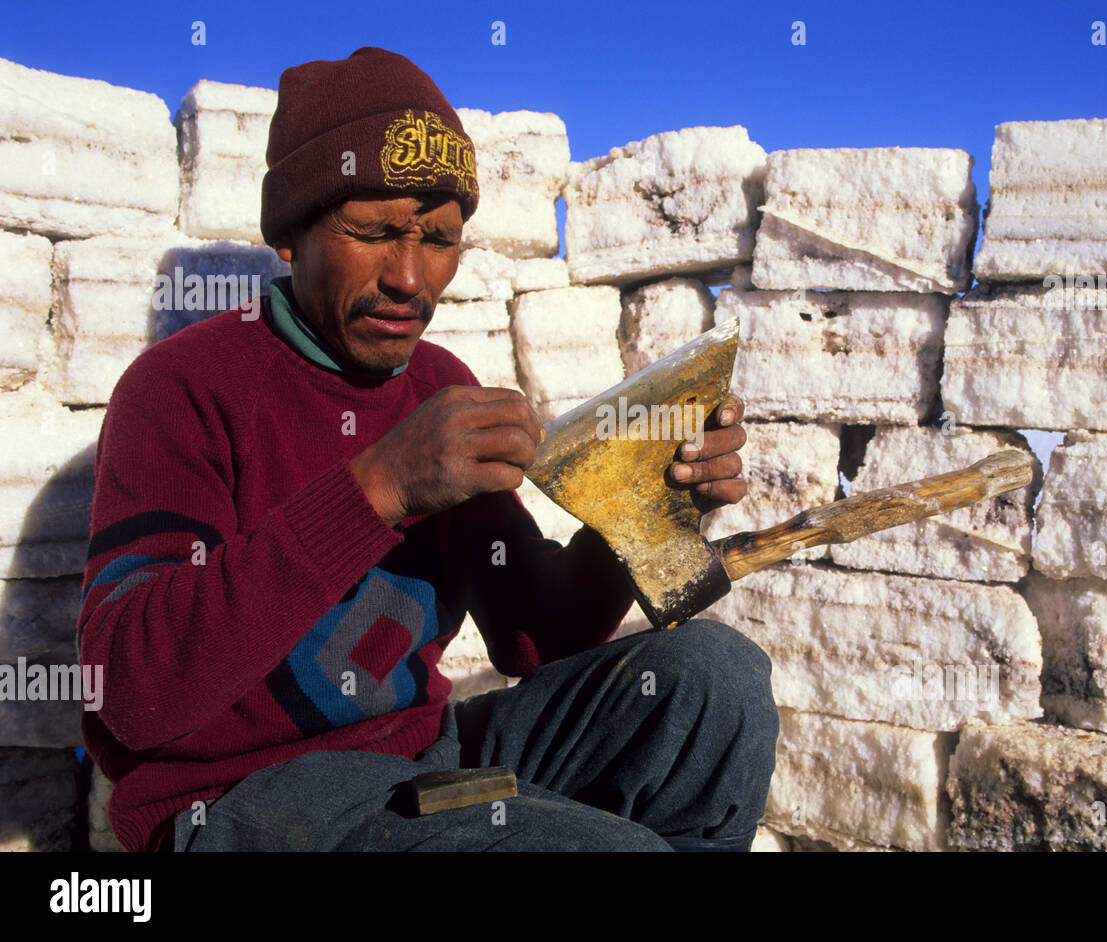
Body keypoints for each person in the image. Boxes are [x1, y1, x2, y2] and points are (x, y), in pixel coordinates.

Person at [78, 46, 778, 852]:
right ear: (291, 236)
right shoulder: (183, 388)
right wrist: (377, 488)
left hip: (419, 763)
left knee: (714, 682)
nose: (411, 278)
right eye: (372, 232)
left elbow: (533, 638)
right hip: (238, 799)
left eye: (439, 239)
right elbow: (126, 694)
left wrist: (647, 504)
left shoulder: (436, 381)